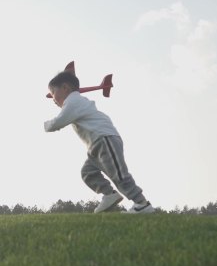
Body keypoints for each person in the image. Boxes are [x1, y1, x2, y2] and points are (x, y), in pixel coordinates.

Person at [44, 65, 154, 214]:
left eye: (53, 93)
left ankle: (142, 204)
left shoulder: (73, 101)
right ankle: (109, 195)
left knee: (119, 174)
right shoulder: (75, 102)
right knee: (88, 173)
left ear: (65, 88)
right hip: (96, 145)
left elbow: (59, 122)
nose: (53, 99)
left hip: (104, 139)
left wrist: (45, 125)